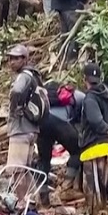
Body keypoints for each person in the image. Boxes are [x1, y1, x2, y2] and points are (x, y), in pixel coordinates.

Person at [6, 44, 48, 199]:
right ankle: (34, 202)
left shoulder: (23, 76)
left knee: (16, 170)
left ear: (25, 59)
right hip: (32, 129)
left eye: (16, 58)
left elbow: (17, 90)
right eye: (10, 59)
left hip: (21, 130)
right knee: (25, 170)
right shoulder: (34, 76)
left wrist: (14, 108)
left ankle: (22, 203)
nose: (12, 62)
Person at [36, 77, 84, 206]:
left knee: (44, 159)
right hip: (59, 123)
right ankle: (66, 188)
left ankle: (43, 196)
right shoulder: (78, 95)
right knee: (77, 150)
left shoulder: (46, 97)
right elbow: (83, 118)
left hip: (42, 123)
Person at [77, 64, 108, 211]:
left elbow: (95, 120)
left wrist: (106, 129)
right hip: (105, 145)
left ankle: (96, 214)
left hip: (92, 146)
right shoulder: (106, 96)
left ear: (84, 79)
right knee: (103, 182)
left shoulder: (90, 98)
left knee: (92, 186)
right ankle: (103, 209)